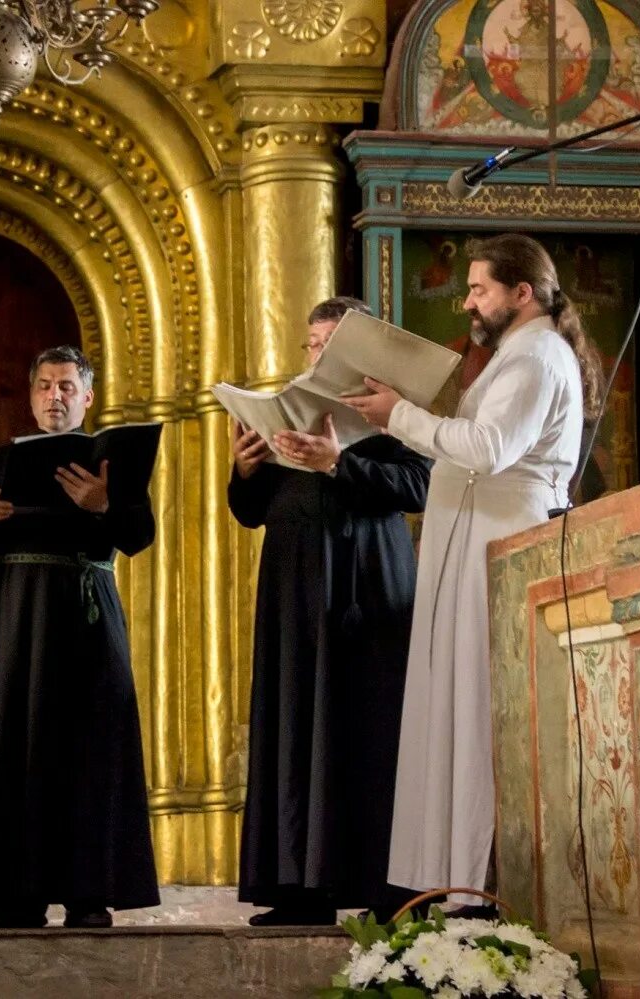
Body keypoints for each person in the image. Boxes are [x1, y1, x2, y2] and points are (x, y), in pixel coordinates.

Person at [344, 234, 599, 897]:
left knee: (480, 724)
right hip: (474, 554)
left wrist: (399, 415)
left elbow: (488, 448)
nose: (468, 301)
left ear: (522, 292)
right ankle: (456, 892)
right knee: (456, 719)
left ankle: (480, 893)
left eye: (480, 287)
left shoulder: (537, 356)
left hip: (502, 551)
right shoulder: (514, 354)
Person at [229, 297, 432, 926]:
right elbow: (251, 510)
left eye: (329, 344)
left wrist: (339, 462)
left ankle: (387, 889)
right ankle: (299, 889)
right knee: (295, 723)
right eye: (311, 345)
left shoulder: (393, 411)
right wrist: (243, 471)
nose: (316, 355)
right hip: (294, 586)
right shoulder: (287, 405)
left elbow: (419, 487)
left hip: (368, 580)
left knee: (373, 726)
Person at [0, 345, 158, 929]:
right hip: (17, 612)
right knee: (16, 743)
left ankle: (88, 895)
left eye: (67, 386)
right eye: (44, 386)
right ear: (32, 394)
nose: (54, 396)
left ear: (87, 397)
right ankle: (19, 894)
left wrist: (103, 502)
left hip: (87, 611)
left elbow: (139, 535)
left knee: (91, 744)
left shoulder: (110, 458)